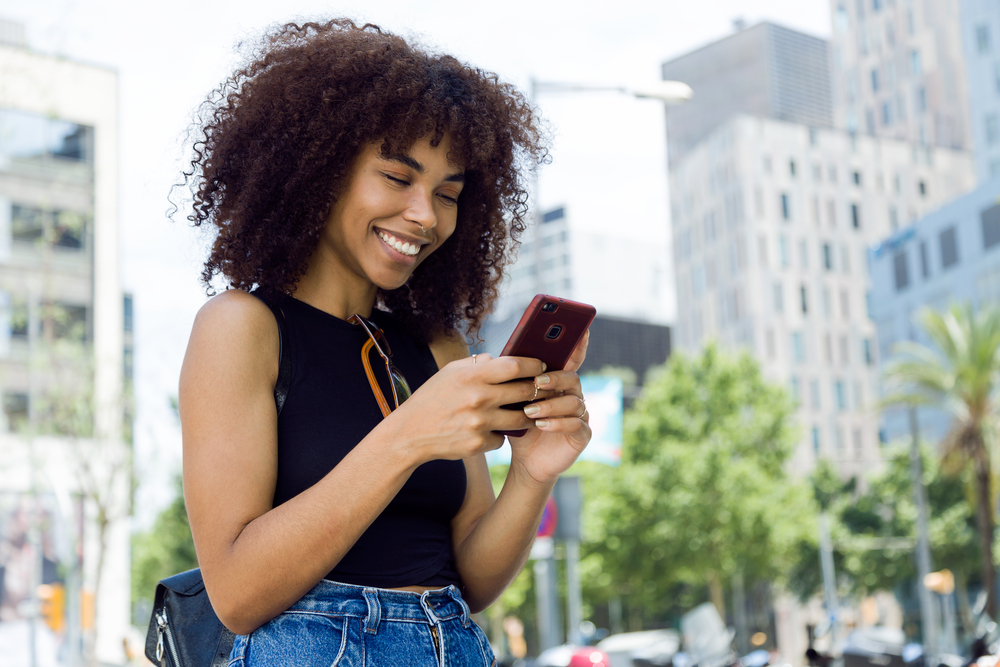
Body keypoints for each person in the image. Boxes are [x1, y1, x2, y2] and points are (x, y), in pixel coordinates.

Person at [177, 18, 593, 666]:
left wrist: (532, 472)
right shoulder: (242, 328)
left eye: (448, 193)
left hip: (449, 642)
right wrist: (409, 434)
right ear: (321, 167)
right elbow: (236, 593)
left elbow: (474, 580)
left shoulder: (438, 349)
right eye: (398, 179)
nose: (426, 215)